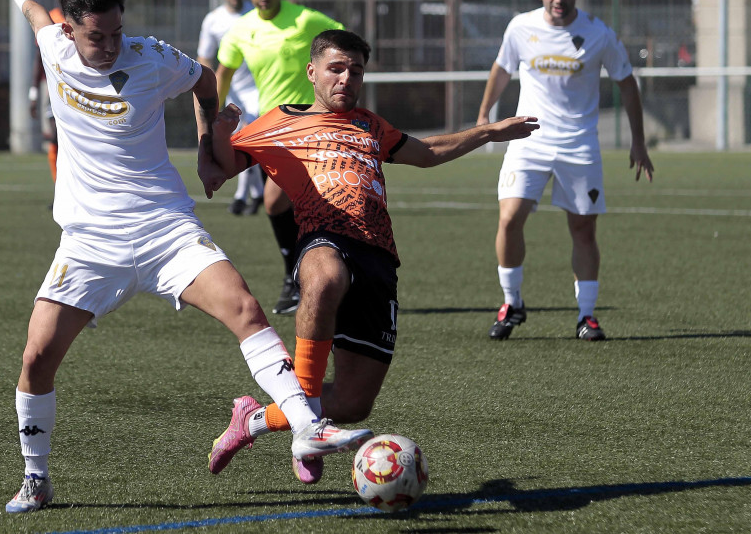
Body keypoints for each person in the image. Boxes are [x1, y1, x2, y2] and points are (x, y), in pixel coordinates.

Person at [2, 0, 372, 513]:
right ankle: (36, 479)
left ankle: (308, 427)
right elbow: (33, 9)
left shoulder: (150, 56)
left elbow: (205, 82)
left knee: (245, 308)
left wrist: (206, 149)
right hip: (89, 241)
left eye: (116, 32)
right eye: (95, 36)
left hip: (164, 228)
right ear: (70, 30)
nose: (108, 45)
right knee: (36, 357)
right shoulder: (52, 45)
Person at [204, 29, 539, 484]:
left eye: (355, 71)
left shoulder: (370, 125)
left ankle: (254, 419)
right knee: (325, 280)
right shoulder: (279, 121)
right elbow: (223, 167)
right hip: (323, 236)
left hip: (379, 259)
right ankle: (311, 428)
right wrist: (218, 133)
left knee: (354, 402)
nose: (346, 78)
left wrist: (489, 132)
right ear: (312, 72)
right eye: (336, 68)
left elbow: (427, 152)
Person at [475, 0, 654, 342]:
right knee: (509, 219)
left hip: (579, 144)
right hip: (527, 139)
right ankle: (512, 304)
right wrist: (483, 115)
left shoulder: (598, 32)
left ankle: (586, 316)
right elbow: (501, 68)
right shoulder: (520, 27)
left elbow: (627, 82)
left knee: (583, 230)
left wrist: (638, 141)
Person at [215, 0, 344, 315]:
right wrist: (211, 118)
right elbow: (223, 73)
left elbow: (345, 45)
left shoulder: (305, 21)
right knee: (279, 206)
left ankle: (307, 279)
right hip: (272, 130)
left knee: (279, 200)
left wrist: (338, 91)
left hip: (314, 126)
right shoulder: (241, 30)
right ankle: (299, 277)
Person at [196, 0, 264, 217]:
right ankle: (256, 194)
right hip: (231, 93)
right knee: (238, 142)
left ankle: (242, 197)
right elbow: (204, 59)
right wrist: (206, 93)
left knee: (245, 141)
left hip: (259, 90)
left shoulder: (256, 14)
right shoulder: (213, 20)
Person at [29, 0, 66, 188]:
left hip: (81, 88)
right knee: (55, 136)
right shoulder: (49, 18)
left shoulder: (84, 19)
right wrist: (33, 93)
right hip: (53, 88)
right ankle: (59, 186)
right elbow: (38, 58)